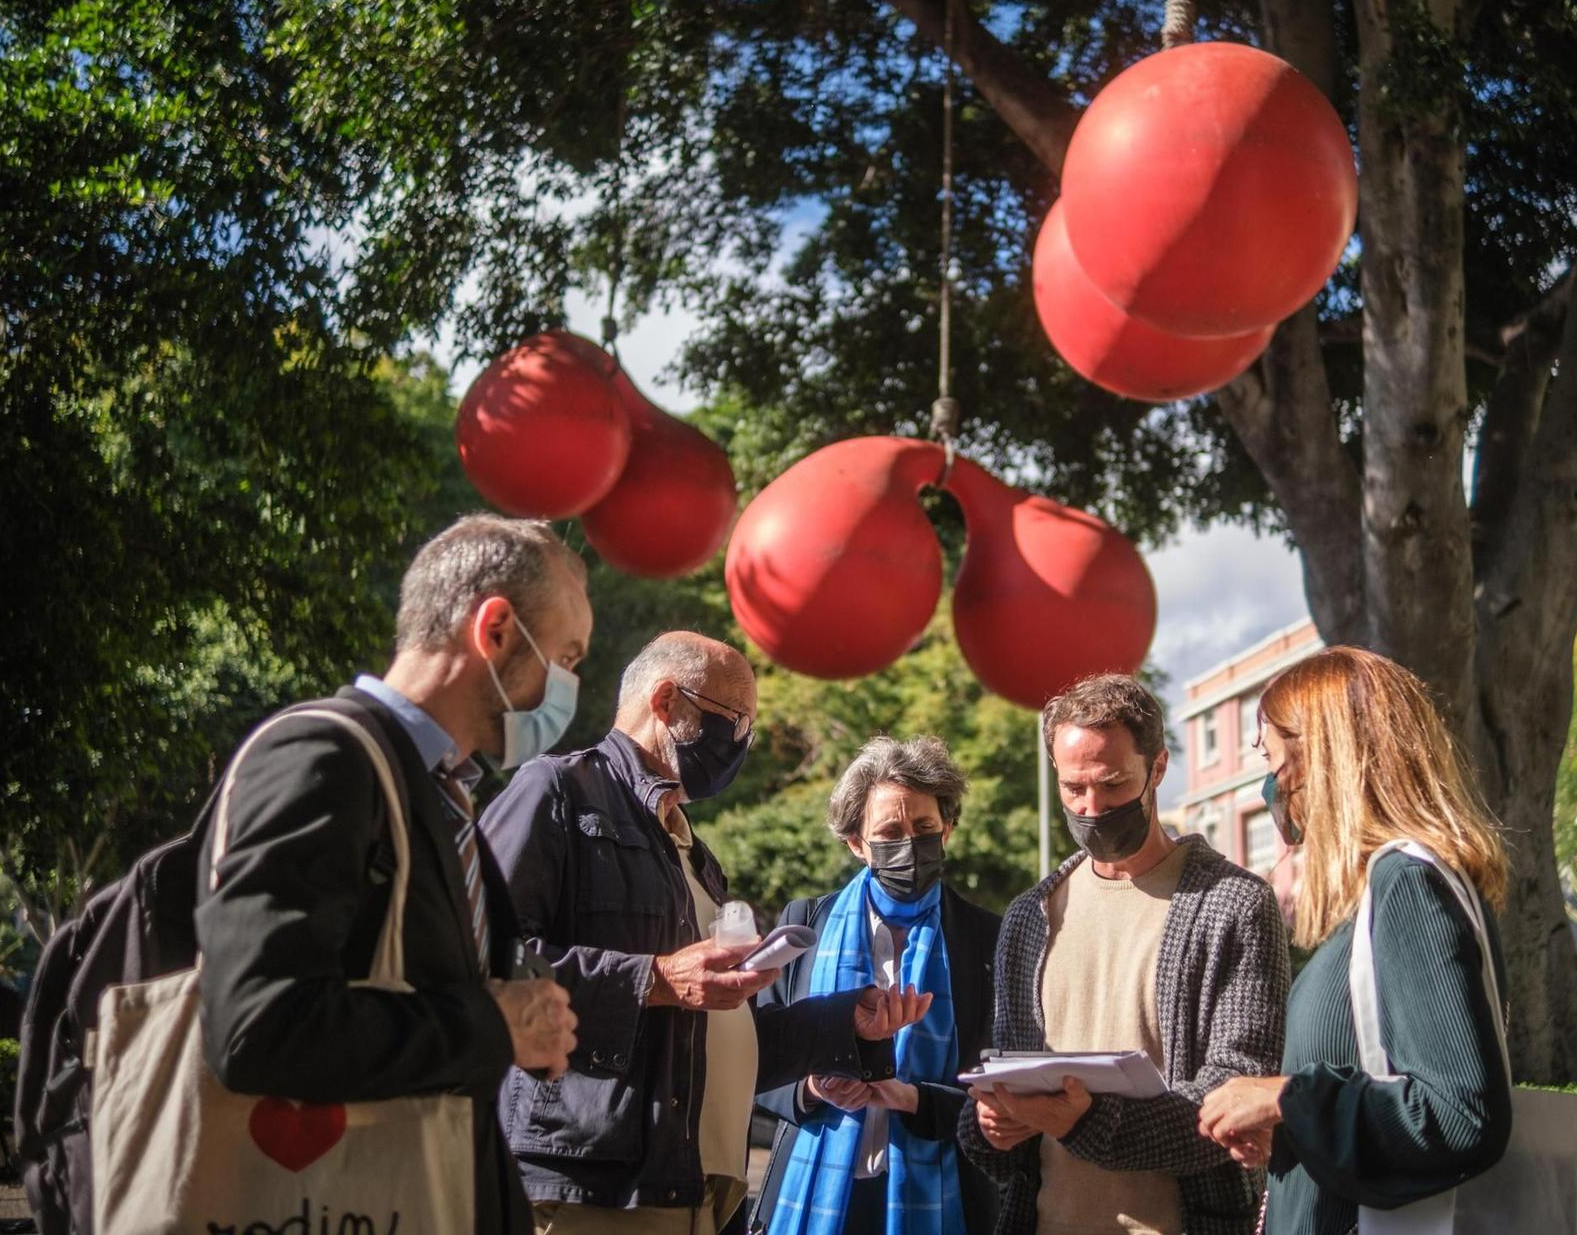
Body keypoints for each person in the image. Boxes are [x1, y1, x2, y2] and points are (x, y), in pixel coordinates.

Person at [196, 513, 587, 1235]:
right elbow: (258, 1026)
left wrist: (524, 1025)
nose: (572, 686)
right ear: (496, 628)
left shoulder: (447, 791)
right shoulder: (323, 755)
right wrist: (492, 1022)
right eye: (567, 655)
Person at [482, 631, 933, 1235]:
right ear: (666, 702)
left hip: (698, 1191)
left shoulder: (695, 854)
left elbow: (716, 1034)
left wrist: (843, 1022)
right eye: (733, 722)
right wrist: (657, 978)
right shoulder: (557, 792)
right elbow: (484, 958)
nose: (742, 744)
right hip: (594, 1186)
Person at [1195, 646, 1514, 1235]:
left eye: (1272, 758)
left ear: (1324, 757)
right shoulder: (1381, 895)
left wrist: (1287, 1098)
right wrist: (1300, 1129)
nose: (1271, 784)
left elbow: (1461, 1115)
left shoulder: (1408, 884)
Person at [958, 673, 1290, 1235]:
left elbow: (1238, 1092)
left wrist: (1086, 1121)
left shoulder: (1233, 905)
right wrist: (990, 1124)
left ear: (1157, 769)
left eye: (1112, 786)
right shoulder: (1028, 918)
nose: (1091, 807)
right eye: (1073, 789)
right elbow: (1009, 1079)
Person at [751, 736, 1004, 1235]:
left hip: (940, 1195)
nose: (909, 842)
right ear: (856, 843)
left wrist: (911, 1098)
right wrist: (811, 1089)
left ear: (947, 829)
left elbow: (1002, 1086)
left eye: (925, 827)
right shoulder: (805, 924)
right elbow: (755, 1060)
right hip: (819, 1190)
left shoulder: (985, 938)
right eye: (890, 830)